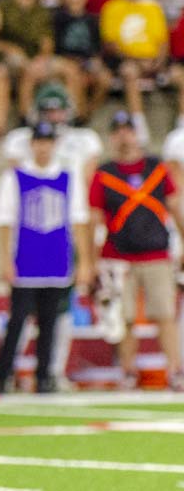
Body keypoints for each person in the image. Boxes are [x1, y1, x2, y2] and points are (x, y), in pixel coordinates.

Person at [0, 121, 93, 394]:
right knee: (18, 320)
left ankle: (45, 375)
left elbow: (79, 220)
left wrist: (83, 260)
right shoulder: (15, 178)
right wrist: (5, 259)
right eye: (39, 141)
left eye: (48, 141)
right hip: (26, 260)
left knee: (50, 321)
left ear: (54, 145)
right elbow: (5, 220)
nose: (44, 147)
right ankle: (3, 375)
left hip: (57, 259)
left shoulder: (67, 176)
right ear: (32, 144)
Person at [87, 111, 184, 389]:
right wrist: (92, 260)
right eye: (117, 130)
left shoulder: (157, 168)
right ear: (112, 136)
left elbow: (175, 206)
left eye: (128, 130)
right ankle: (128, 372)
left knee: (164, 314)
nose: (123, 136)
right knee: (124, 317)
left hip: (156, 253)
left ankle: (175, 370)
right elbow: (94, 219)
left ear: (137, 133)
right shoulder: (104, 174)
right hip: (118, 256)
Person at [0, 0, 54, 137]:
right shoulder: (2, 5)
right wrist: (11, 49)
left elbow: (47, 41)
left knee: (34, 70)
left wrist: (42, 58)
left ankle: (26, 120)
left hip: (33, 60)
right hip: (6, 58)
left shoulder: (42, 10)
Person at [99, 0, 167, 138]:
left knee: (180, 75)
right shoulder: (112, 7)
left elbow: (163, 41)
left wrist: (158, 62)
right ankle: (138, 124)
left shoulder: (153, 7)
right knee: (130, 72)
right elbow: (111, 44)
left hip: (153, 61)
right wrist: (138, 60)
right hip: (124, 60)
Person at [50, 0, 112, 120]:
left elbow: (97, 47)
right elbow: (54, 46)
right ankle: (77, 115)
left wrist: (95, 61)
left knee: (105, 78)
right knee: (74, 74)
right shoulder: (57, 18)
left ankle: (87, 113)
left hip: (87, 61)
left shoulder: (92, 20)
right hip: (64, 60)